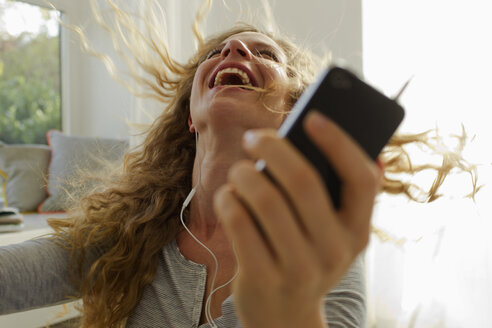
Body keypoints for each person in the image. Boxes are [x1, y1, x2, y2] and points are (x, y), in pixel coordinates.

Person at [0, 2, 475, 328]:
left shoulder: (313, 250)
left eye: (264, 54)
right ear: (190, 115)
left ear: (294, 108)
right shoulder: (128, 232)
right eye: (217, 53)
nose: (234, 52)